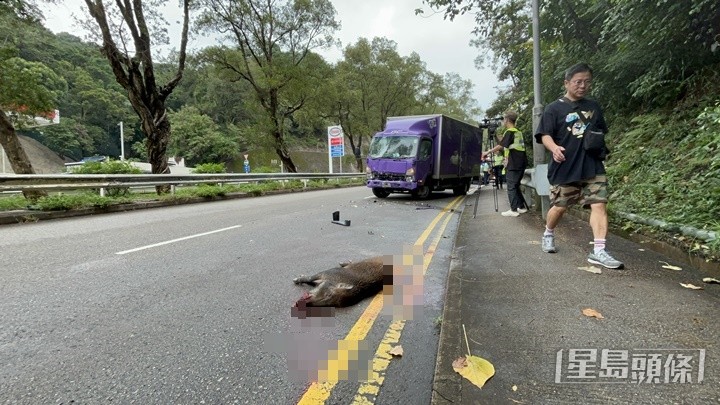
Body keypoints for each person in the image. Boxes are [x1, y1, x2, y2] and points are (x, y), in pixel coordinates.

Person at [534, 62, 623, 269]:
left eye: (587, 82)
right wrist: (555, 148)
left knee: (599, 203)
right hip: (565, 166)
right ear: (567, 83)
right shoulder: (553, 109)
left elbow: (601, 131)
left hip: (592, 164)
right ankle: (548, 233)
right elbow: (544, 135)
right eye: (578, 82)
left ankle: (599, 250)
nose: (583, 86)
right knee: (560, 207)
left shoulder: (593, 106)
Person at [482, 111, 528, 216]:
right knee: (515, 185)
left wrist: (487, 152)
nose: (502, 121)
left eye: (503, 119)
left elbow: (501, 146)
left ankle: (513, 210)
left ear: (506, 120)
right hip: (520, 162)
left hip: (514, 162)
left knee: (511, 186)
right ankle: (521, 207)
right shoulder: (517, 131)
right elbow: (504, 143)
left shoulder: (510, 131)